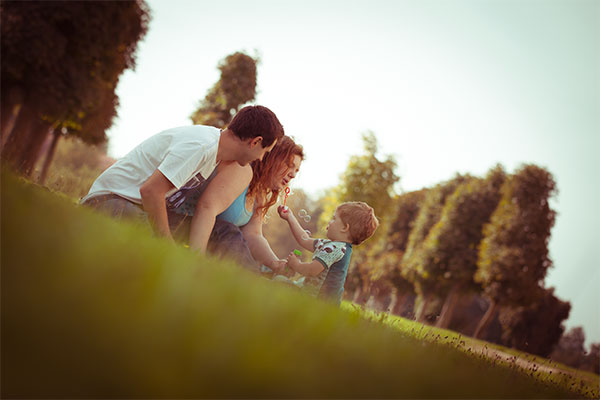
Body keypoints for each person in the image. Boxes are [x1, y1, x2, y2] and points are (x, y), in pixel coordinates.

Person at [81, 105, 284, 241]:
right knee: (161, 249)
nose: (261, 159)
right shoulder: (201, 146)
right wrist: (166, 244)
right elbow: (151, 192)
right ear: (255, 141)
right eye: (264, 152)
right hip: (110, 202)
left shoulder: (213, 151)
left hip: (131, 205)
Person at [167, 136, 304, 273]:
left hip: (205, 236)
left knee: (239, 243)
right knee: (229, 231)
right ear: (272, 158)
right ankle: (253, 281)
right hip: (176, 220)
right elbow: (206, 208)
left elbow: (253, 235)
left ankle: (259, 280)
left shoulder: (260, 192)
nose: (292, 175)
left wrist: (275, 264)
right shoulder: (241, 169)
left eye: (296, 170)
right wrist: (197, 260)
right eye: (289, 164)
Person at [277, 201, 379, 305]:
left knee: (278, 282)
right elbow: (305, 239)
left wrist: (296, 264)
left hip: (319, 302)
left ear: (344, 228)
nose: (330, 222)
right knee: (281, 281)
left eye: (334, 218)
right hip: (312, 295)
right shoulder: (333, 245)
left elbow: (312, 270)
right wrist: (290, 217)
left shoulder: (336, 248)